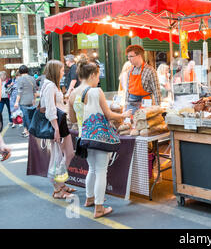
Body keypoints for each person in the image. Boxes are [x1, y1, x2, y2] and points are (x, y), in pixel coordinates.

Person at [68, 58, 131, 218]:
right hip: (100, 138)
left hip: (84, 138)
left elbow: (73, 120)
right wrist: (124, 114)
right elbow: (109, 114)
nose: (98, 79)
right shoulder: (96, 92)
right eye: (98, 76)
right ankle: (99, 207)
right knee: (102, 171)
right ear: (92, 75)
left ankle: (89, 199)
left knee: (92, 169)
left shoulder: (72, 94)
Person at [40, 60, 75, 199]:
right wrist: (56, 129)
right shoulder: (50, 86)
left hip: (60, 123)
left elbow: (56, 104)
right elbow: (50, 109)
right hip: (57, 124)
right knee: (58, 156)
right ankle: (57, 188)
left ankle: (61, 184)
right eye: (61, 70)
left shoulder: (53, 85)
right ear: (55, 71)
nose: (63, 72)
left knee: (68, 153)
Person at [125, 45, 161, 113]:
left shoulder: (150, 70)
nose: (129, 59)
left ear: (139, 56)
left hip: (145, 106)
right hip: (131, 106)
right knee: (131, 123)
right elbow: (127, 91)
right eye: (128, 57)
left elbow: (156, 91)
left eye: (131, 56)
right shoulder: (130, 71)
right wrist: (125, 106)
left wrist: (157, 109)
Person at [14, 65, 37, 137]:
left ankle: (30, 133)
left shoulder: (20, 79)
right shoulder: (32, 78)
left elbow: (19, 91)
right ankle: (27, 131)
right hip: (31, 100)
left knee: (26, 117)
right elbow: (35, 91)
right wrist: (34, 100)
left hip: (23, 101)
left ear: (20, 71)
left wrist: (16, 102)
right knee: (30, 117)